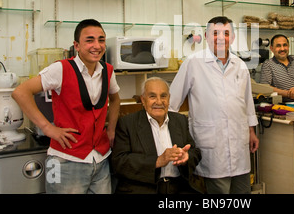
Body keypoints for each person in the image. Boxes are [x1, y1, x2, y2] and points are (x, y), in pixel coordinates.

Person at [12, 19, 121, 194]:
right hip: (65, 161)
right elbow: (20, 92)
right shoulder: (60, 69)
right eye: (89, 40)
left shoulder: (107, 70)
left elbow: (115, 100)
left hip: (100, 160)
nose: (97, 45)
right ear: (76, 45)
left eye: (101, 40)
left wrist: (111, 130)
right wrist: (48, 128)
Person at [169, 16, 259, 194]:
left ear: (232, 38)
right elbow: (172, 103)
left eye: (226, 33)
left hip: (239, 143)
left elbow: (247, 101)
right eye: (215, 33)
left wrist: (251, 131)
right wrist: (173, 138)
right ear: (206, 36)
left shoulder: (240, 65)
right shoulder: (193, 63)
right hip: (211, 144)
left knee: (242, 192)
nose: (220, 38)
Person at [111, 77, 202, 194]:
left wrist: (186, 158)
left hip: (179, 187)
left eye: (163, 96)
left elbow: (195, 152)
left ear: (169, 99)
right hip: (144, 188)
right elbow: (119, 163)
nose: (159, 102)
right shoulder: (127, 123)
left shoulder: (180, 120)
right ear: (143, 100)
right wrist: (157, 161)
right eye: (152, 96)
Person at [260, 34, 294, 103]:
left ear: (288, 46)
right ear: (272, 48)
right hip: (285, 108)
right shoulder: (268, 65)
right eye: (278, 46)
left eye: (285, 45)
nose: (282, 49)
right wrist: (289, 94)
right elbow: (265, 87)